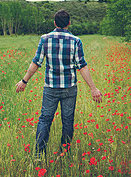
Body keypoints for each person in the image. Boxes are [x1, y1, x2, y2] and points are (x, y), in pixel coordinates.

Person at [15, 9, 102, 157]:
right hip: (69, 88)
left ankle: (38, 155)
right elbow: (82, 66)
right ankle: (65, 153)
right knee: (68, 121)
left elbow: (36, 63)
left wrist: (24, 81)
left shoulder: (45, 39)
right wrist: (93, 89)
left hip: (50, 88)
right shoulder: (76, 41)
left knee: (45, 119)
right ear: (69, 23)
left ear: (55, 23)